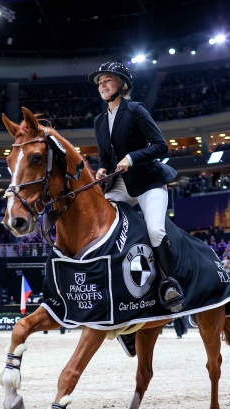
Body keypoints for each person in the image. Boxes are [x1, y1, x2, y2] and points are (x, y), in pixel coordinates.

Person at [89, 61, 183, 312]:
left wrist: (131, 158)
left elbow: (161, 146)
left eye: (107, 79)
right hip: (119, 186)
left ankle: (171, 283)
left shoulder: (136, 110)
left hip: (148, 182)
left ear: (122, 84)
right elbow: (106, 159)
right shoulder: (99, 121)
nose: (102, 85)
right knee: (101, 228)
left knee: (154, 230)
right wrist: (102, 169)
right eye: (100, 82)